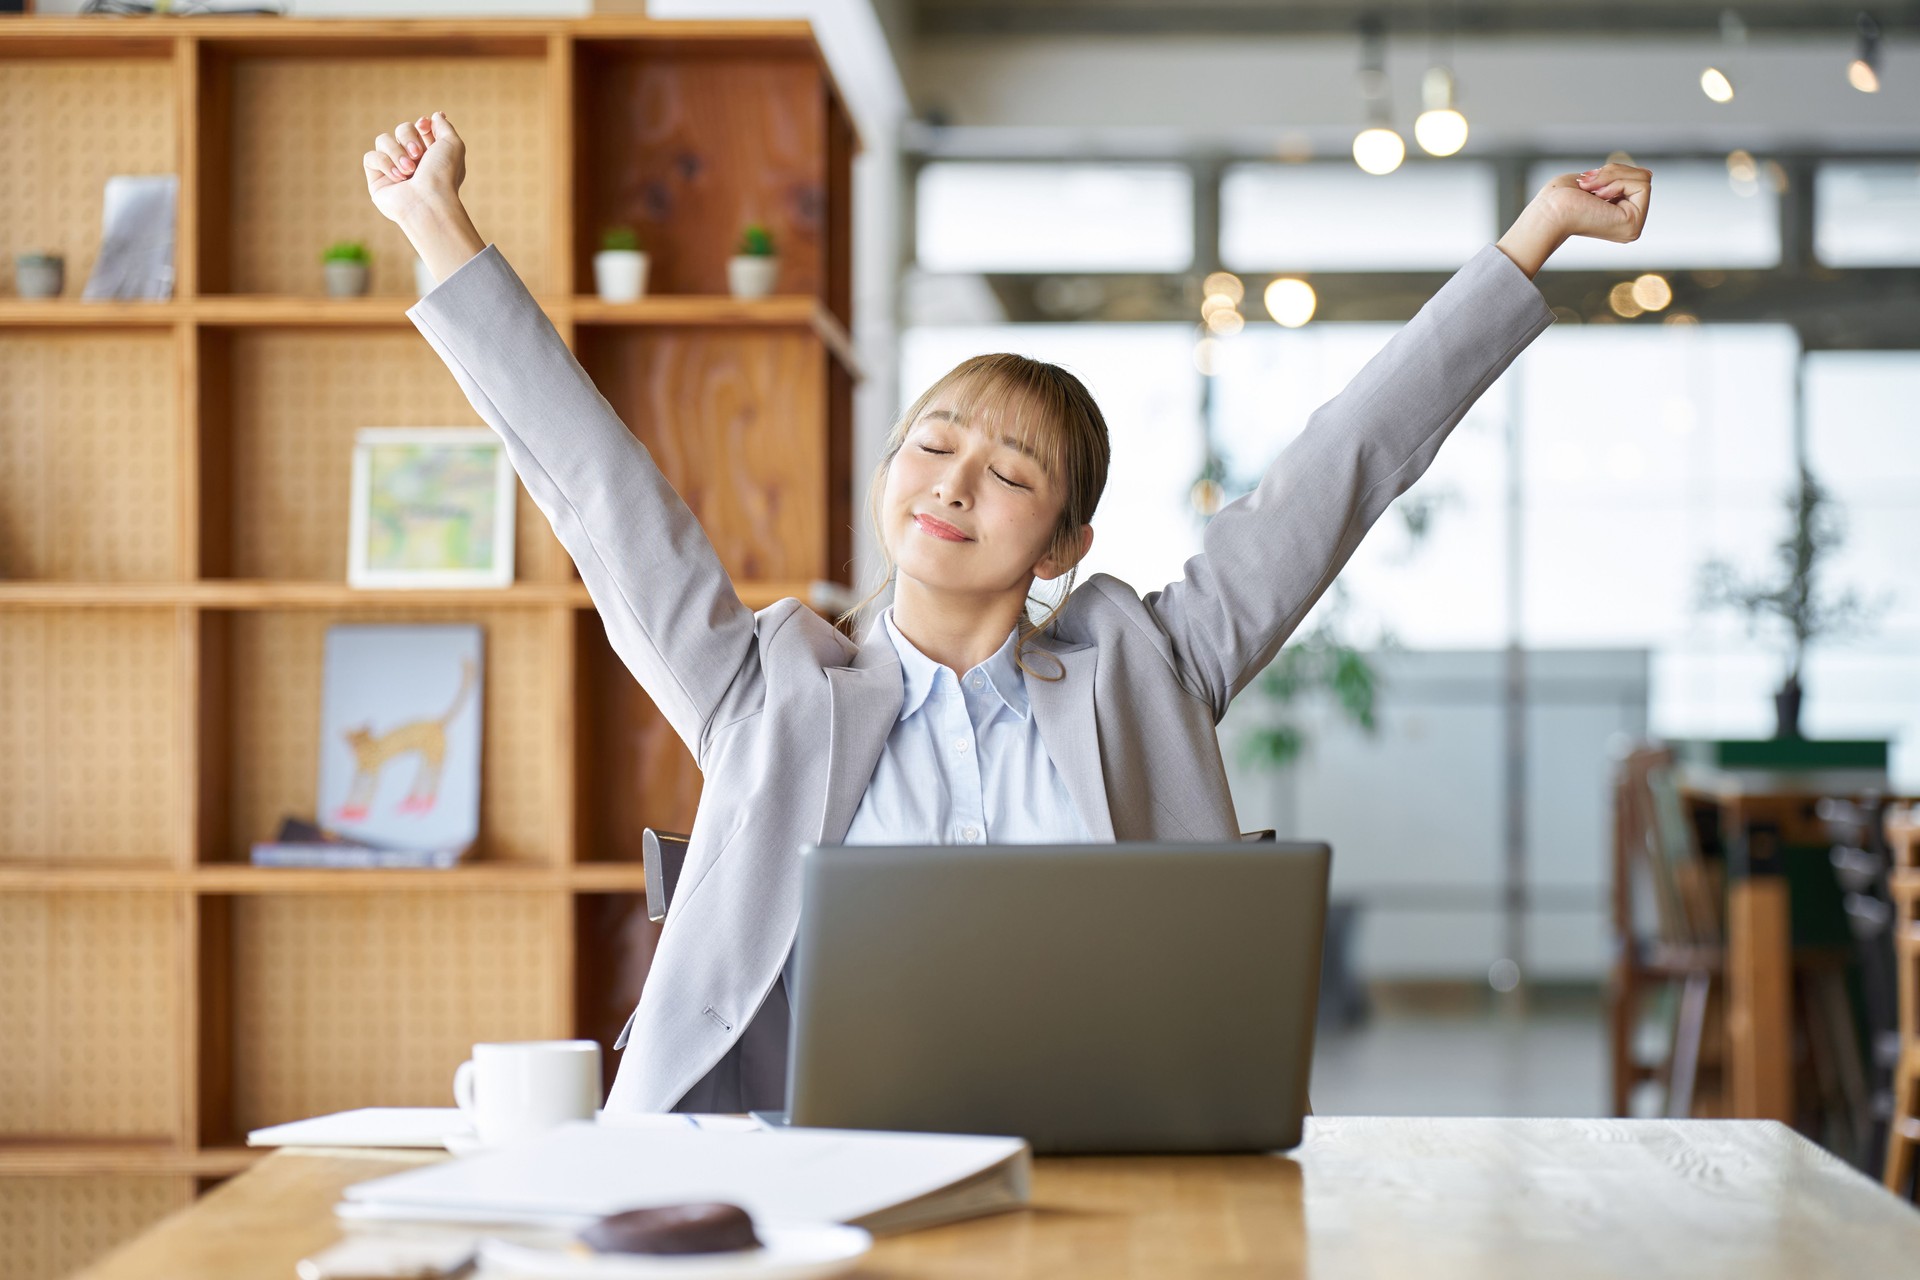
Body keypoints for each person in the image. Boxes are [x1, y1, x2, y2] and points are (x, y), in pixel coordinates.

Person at [366, 111, 1651, 1114]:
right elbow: (602, 493)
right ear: (889, 475)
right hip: (809, 1167)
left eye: (1012, 472)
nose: (955, 482)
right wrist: (442, 235)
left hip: (1107, 1148)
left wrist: (1528, 241)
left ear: (1065, 542)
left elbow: (1344, 470)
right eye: (932, 444)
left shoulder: (1146, 663)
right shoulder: (767, 683)